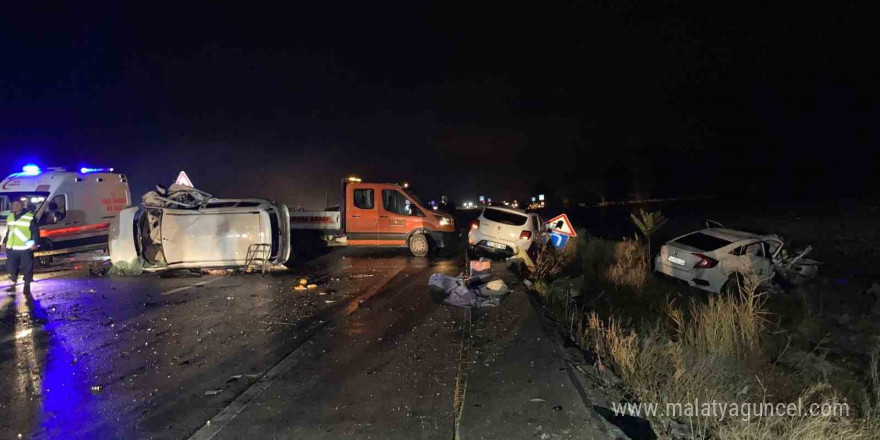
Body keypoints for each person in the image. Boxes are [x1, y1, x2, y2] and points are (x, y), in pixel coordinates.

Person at [2, 200, 40, 294]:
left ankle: (27, 285)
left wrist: (35, 242)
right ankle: (13, 284)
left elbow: (35, 231)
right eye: (14, 204)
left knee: (27, 267)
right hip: (12, 247)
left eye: (18, 204)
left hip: (25, 248)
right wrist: (4, 242)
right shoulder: (10, 216)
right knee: (11, 267)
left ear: (22, 205)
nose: (16, 206)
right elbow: (9, 231)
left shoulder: (29, 216)